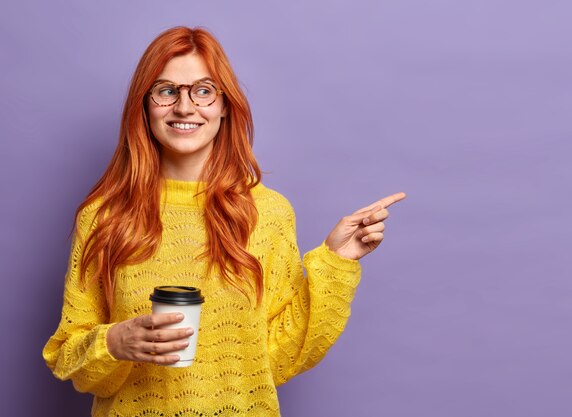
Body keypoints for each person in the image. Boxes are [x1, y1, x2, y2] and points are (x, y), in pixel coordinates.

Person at [43, 26, 405, 417]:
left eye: (203, 90)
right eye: (167, 91)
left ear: (224, 105)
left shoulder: (267, 213)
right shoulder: (104, 216)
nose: (184, 107)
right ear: (144, 105)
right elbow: (68, 356)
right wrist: (113, 343)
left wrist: (337, 261)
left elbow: (277, 357)